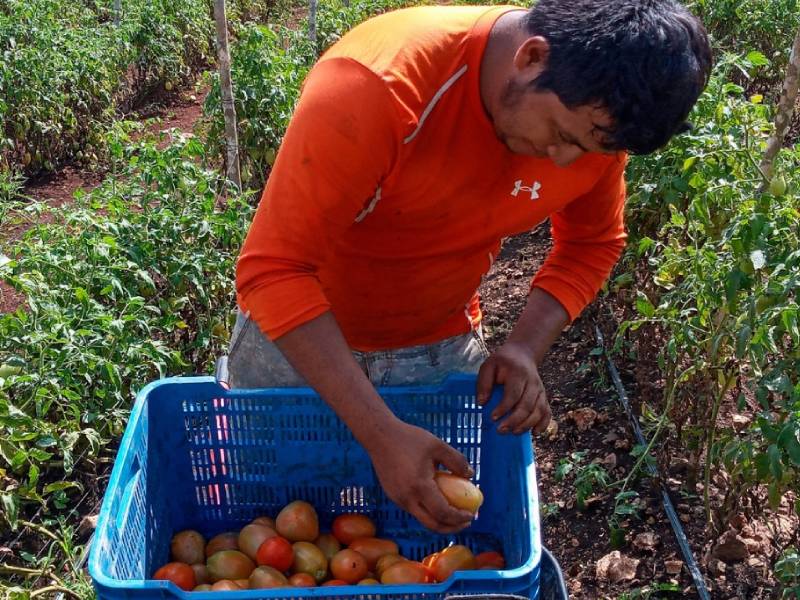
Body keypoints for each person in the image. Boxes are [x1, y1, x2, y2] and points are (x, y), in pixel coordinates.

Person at [222, 0, 712, 533]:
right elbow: (275, 270)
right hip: (296, 350)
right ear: (531, 58)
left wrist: (524, 347)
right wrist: (381, 433)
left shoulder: (596, 120)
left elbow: (593, 242)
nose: (564, 160)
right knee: (270, 514)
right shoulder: (377, 87)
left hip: (435, 347)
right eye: (563, 135)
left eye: (590, 147)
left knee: (421, 530)